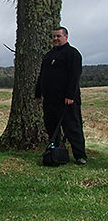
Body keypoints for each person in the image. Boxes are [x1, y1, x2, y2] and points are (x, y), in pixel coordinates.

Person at [35, 26, 87, 165]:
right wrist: (38, 94)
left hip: (67, 101)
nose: (56, 39)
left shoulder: (73, 54)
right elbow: (42, 76)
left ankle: (80, 155)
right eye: (54, 37)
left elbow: (74, 77)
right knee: (51, 127)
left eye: (58, 36)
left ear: (66, 37)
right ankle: (55, 152)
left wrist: (70, 95)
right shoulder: (49, 55)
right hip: (50, 100)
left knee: (72, 128)